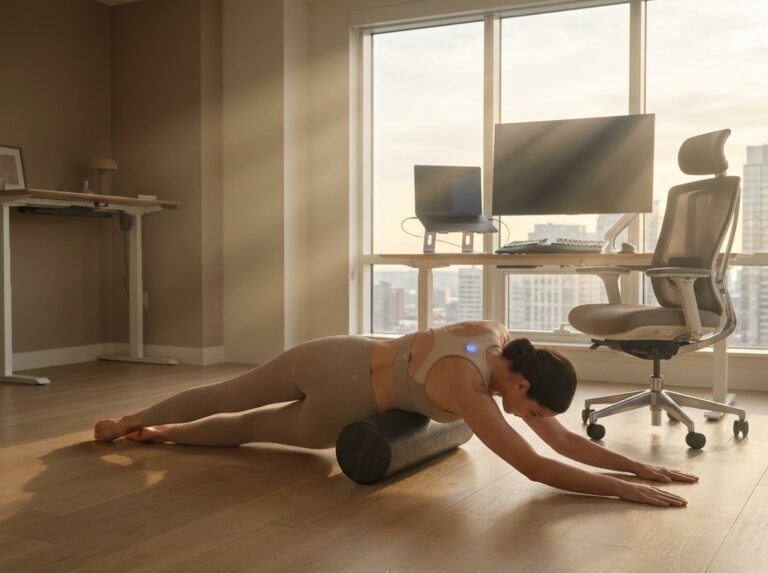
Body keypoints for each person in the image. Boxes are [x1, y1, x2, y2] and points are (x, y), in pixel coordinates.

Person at [94, 320, 697, 507]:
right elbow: (536, 466)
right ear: (519, 383)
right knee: (249, 423)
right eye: (528, 407)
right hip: (344, 404)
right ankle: (157, 432)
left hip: (333, 356)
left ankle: (136, 423)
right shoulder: (468, 390)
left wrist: (637, 468)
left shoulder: (493, 338)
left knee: (232, 396)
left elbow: (561, 443)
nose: (523, 416)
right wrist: (620, 491)